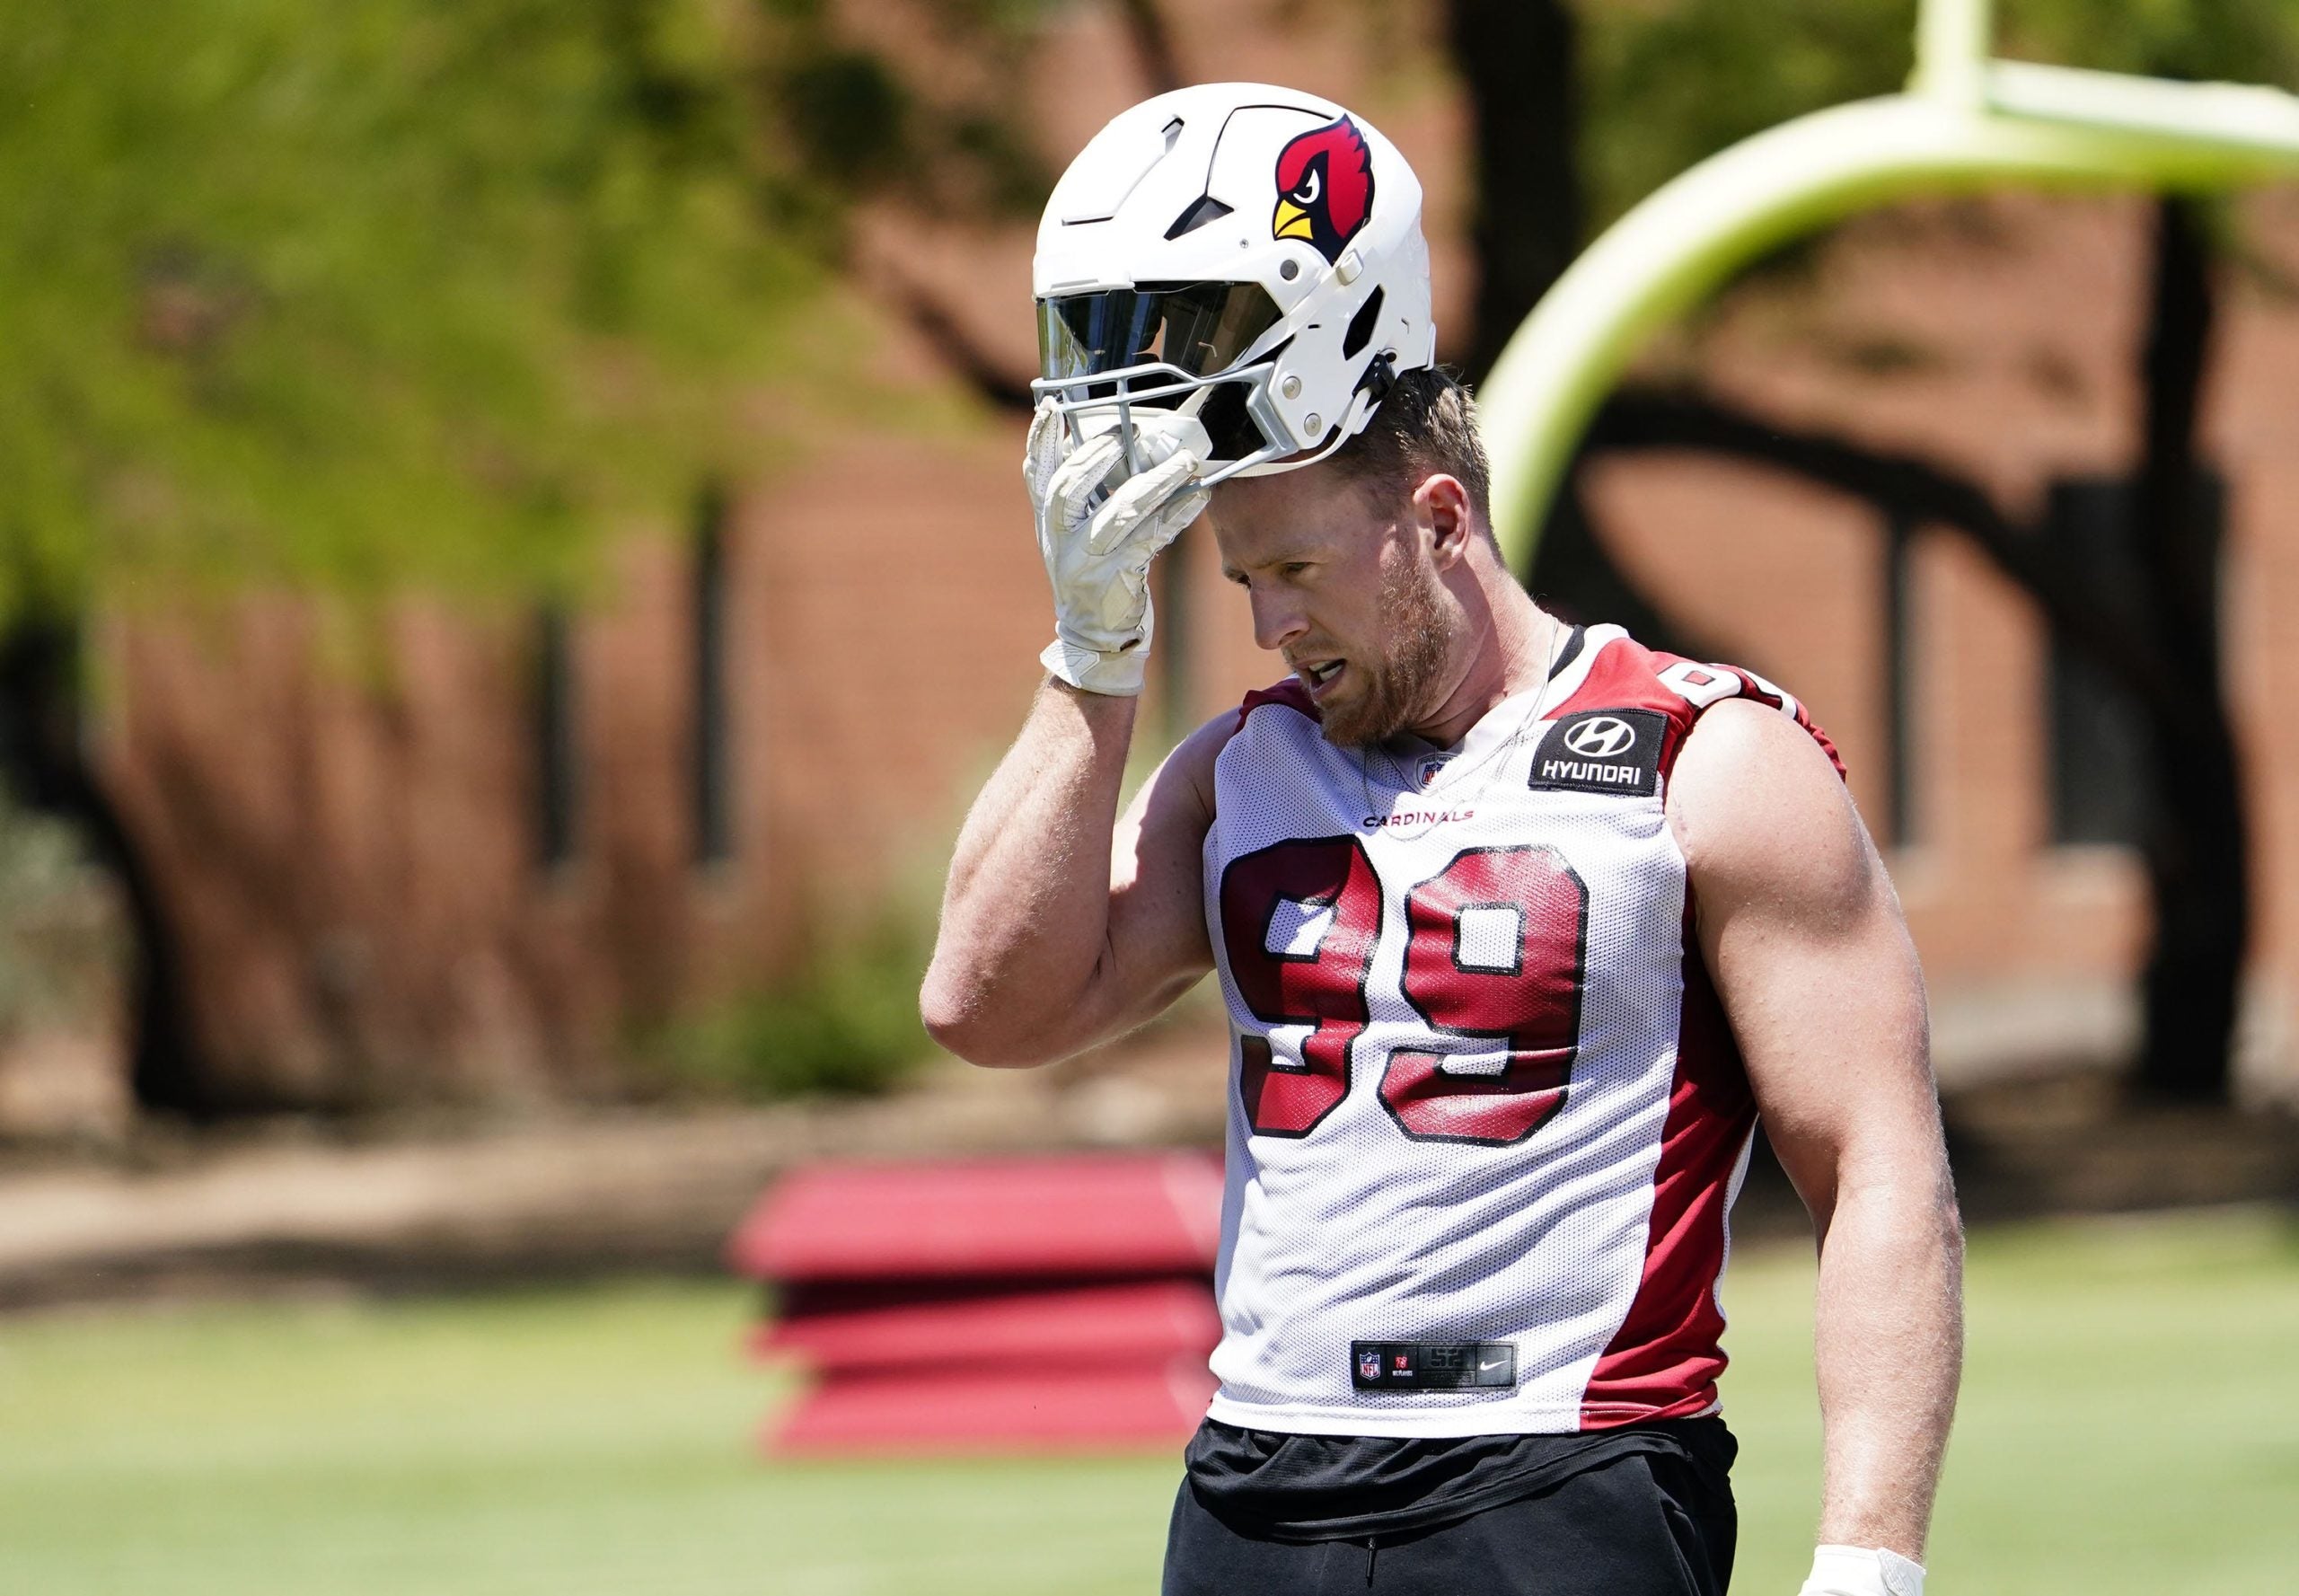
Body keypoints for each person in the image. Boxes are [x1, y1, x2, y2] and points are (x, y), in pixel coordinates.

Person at [921, 83, 1961, 1596]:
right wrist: (1090, 652)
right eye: (1239, 580)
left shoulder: (1703, 756)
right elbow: (986, 1006)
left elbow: (1878, 1164)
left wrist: (1871, 1557)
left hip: (1562, 1470)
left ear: (1438, 521)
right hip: (1258, 1484)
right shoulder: (1248, 769)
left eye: (1295, 568)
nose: (1270, 622)